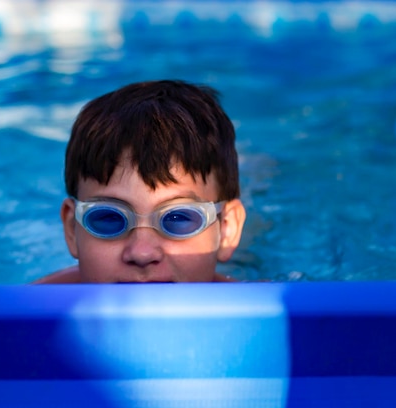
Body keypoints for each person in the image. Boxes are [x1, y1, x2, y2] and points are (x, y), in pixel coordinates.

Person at [36, 80, 245, 284]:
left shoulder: (256, 308)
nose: (141, 253)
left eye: (178, 218)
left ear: (226, 229)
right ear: (72, 229)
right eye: (109, 218)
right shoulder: (32, 308)